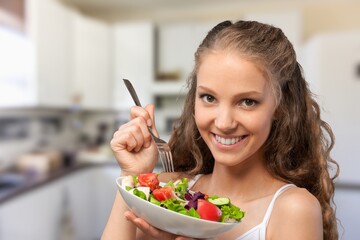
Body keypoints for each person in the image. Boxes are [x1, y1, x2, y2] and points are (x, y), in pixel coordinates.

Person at [102, 20, 339, 240]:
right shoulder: (166, 190)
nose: (224, 123)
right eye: (209, 97)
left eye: (247, 102)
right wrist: (132, 177)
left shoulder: (291, 208)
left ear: (279, 107)